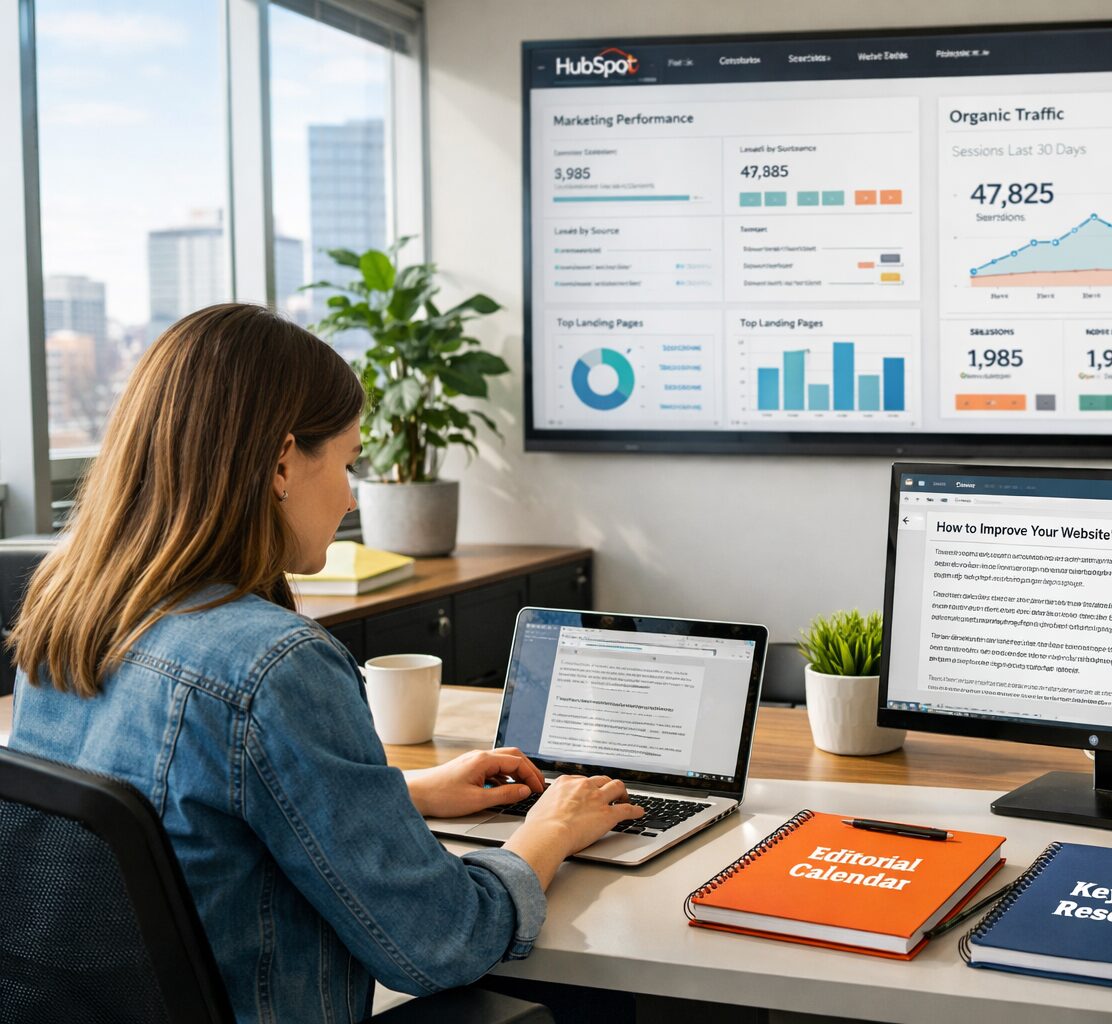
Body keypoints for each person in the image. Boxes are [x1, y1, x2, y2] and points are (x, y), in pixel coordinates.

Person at [7, 303, 645, 1022]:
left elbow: (182, 826)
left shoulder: (64, 621)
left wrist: (399, 792)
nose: (349, 494)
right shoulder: (273, 665)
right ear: (282, 463)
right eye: (346, 461)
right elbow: (442, 941)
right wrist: (550, 831)